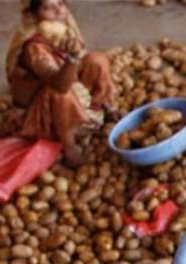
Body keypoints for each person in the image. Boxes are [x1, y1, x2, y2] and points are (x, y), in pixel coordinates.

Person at [7, 0, 116, 166]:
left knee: (97, 60)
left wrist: (76, 55)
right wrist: (72, 57)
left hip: (70, 86)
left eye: (61, 3)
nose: (58, 11)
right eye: (48, 8)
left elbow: (80, 61)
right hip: (43, 112)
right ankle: (69, 145)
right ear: (33, 15)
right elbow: (60, 85)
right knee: (59, 94)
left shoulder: (65, 28)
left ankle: (102, 106)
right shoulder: (34, 48)